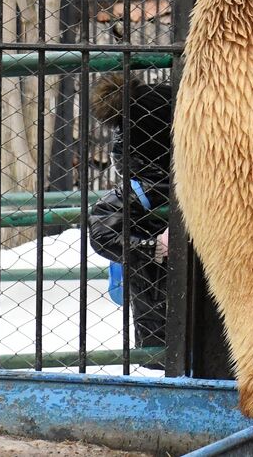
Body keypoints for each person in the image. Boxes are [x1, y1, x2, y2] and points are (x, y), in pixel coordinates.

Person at [87, 74, 175, 368]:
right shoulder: (144, 189)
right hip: (165, 317)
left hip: (159, 317)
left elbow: (101, 229)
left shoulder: (141, 188)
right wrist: (152, 246)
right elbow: (103, 230)